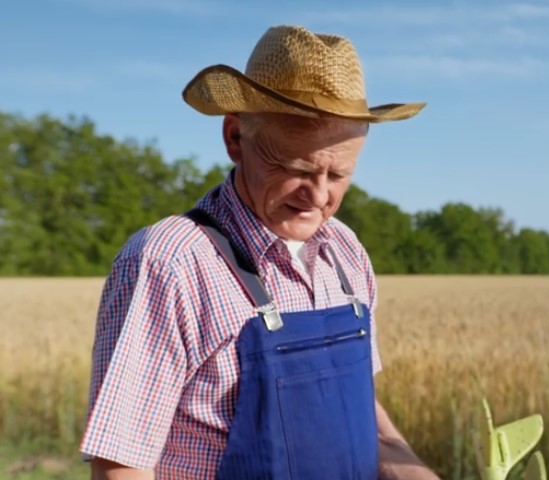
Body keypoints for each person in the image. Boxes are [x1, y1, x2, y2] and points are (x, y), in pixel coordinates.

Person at [80, 24, 438, 479]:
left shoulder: (345, 253)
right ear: (234, 136)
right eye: (295, 168)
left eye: (339, 175)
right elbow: (121, 463)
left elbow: (360, 409)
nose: (318, 196)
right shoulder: (171, 262)